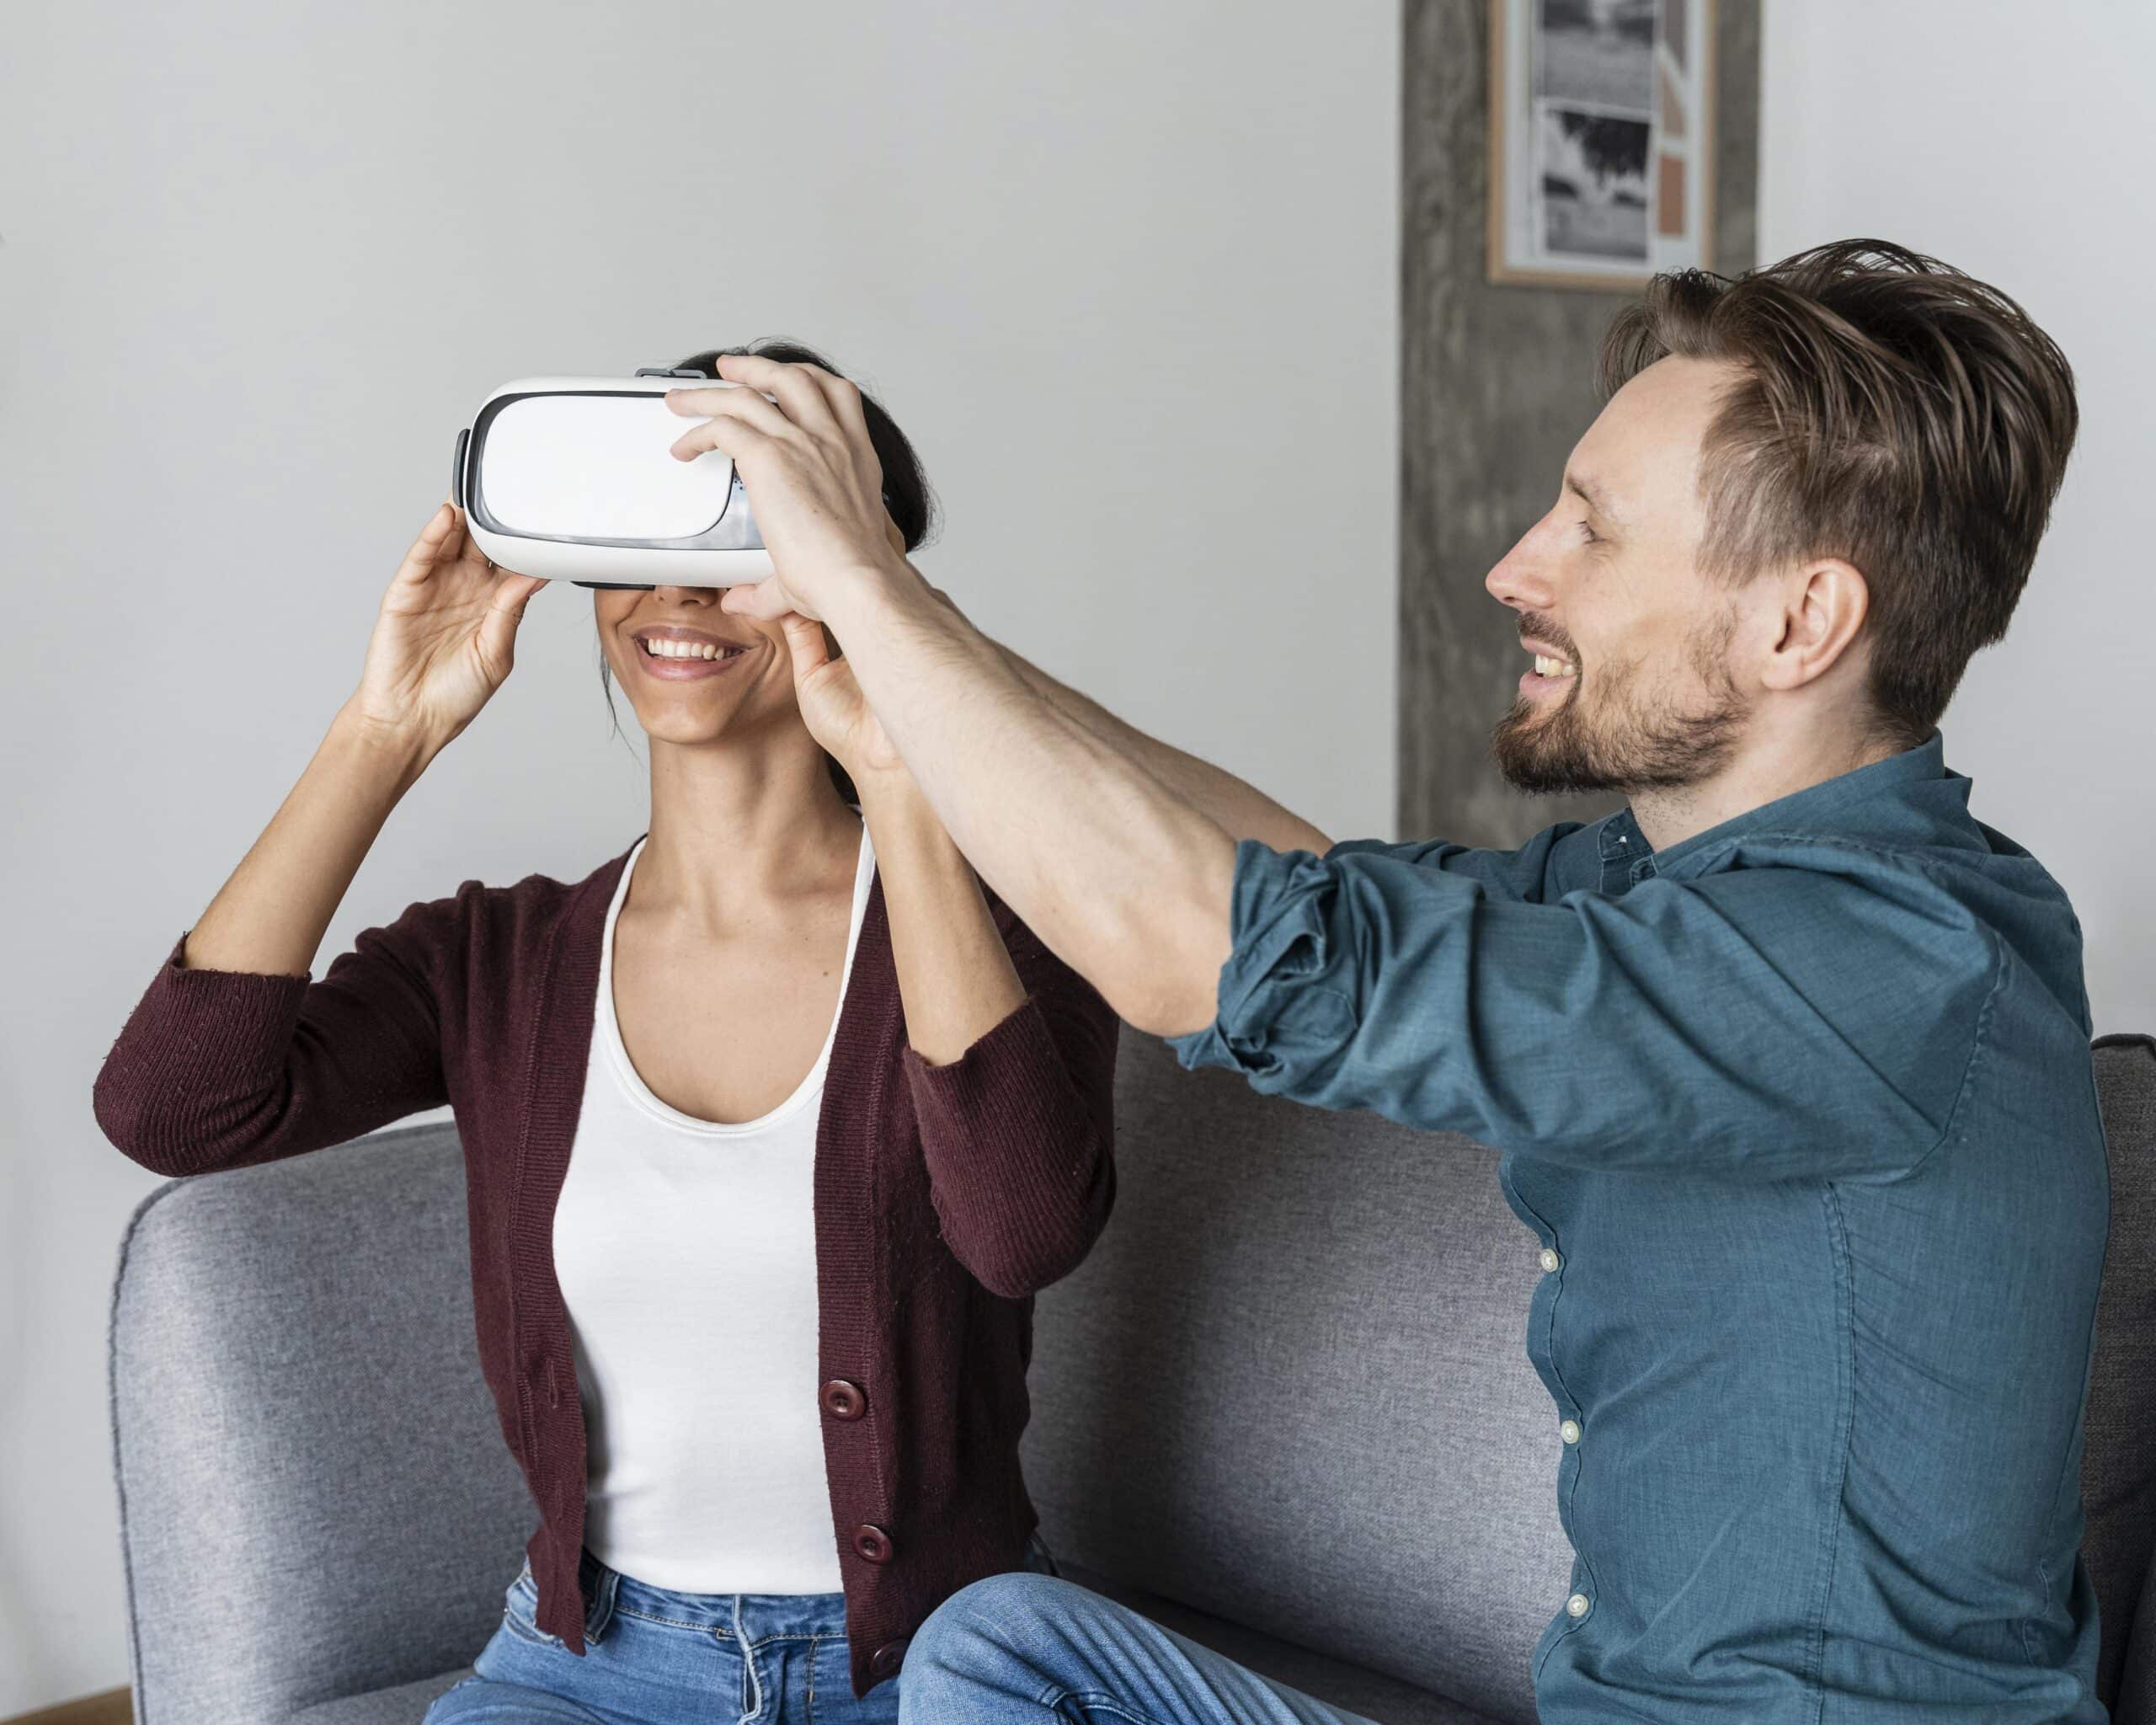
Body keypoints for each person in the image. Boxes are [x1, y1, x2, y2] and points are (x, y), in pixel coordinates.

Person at [666, 244, 2110, 1722]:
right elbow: (1289, 869)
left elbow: (1212, 954)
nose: (1514, 568)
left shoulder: (1892, 966)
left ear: (1800, 624)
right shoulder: (1653, 895)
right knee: (1002, 1648)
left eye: (1593, 535)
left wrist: (859, 575)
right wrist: (904, 624)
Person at [91, 341, 1118, 1725]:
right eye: (641, 538)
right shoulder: (498, 961)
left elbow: (1025, 1232)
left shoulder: (1005, 932)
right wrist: (387, 726)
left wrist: (905, 766)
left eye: (746, 538)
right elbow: (171, 1107)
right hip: (590, 1671)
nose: (679, 595)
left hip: (935, 1665)